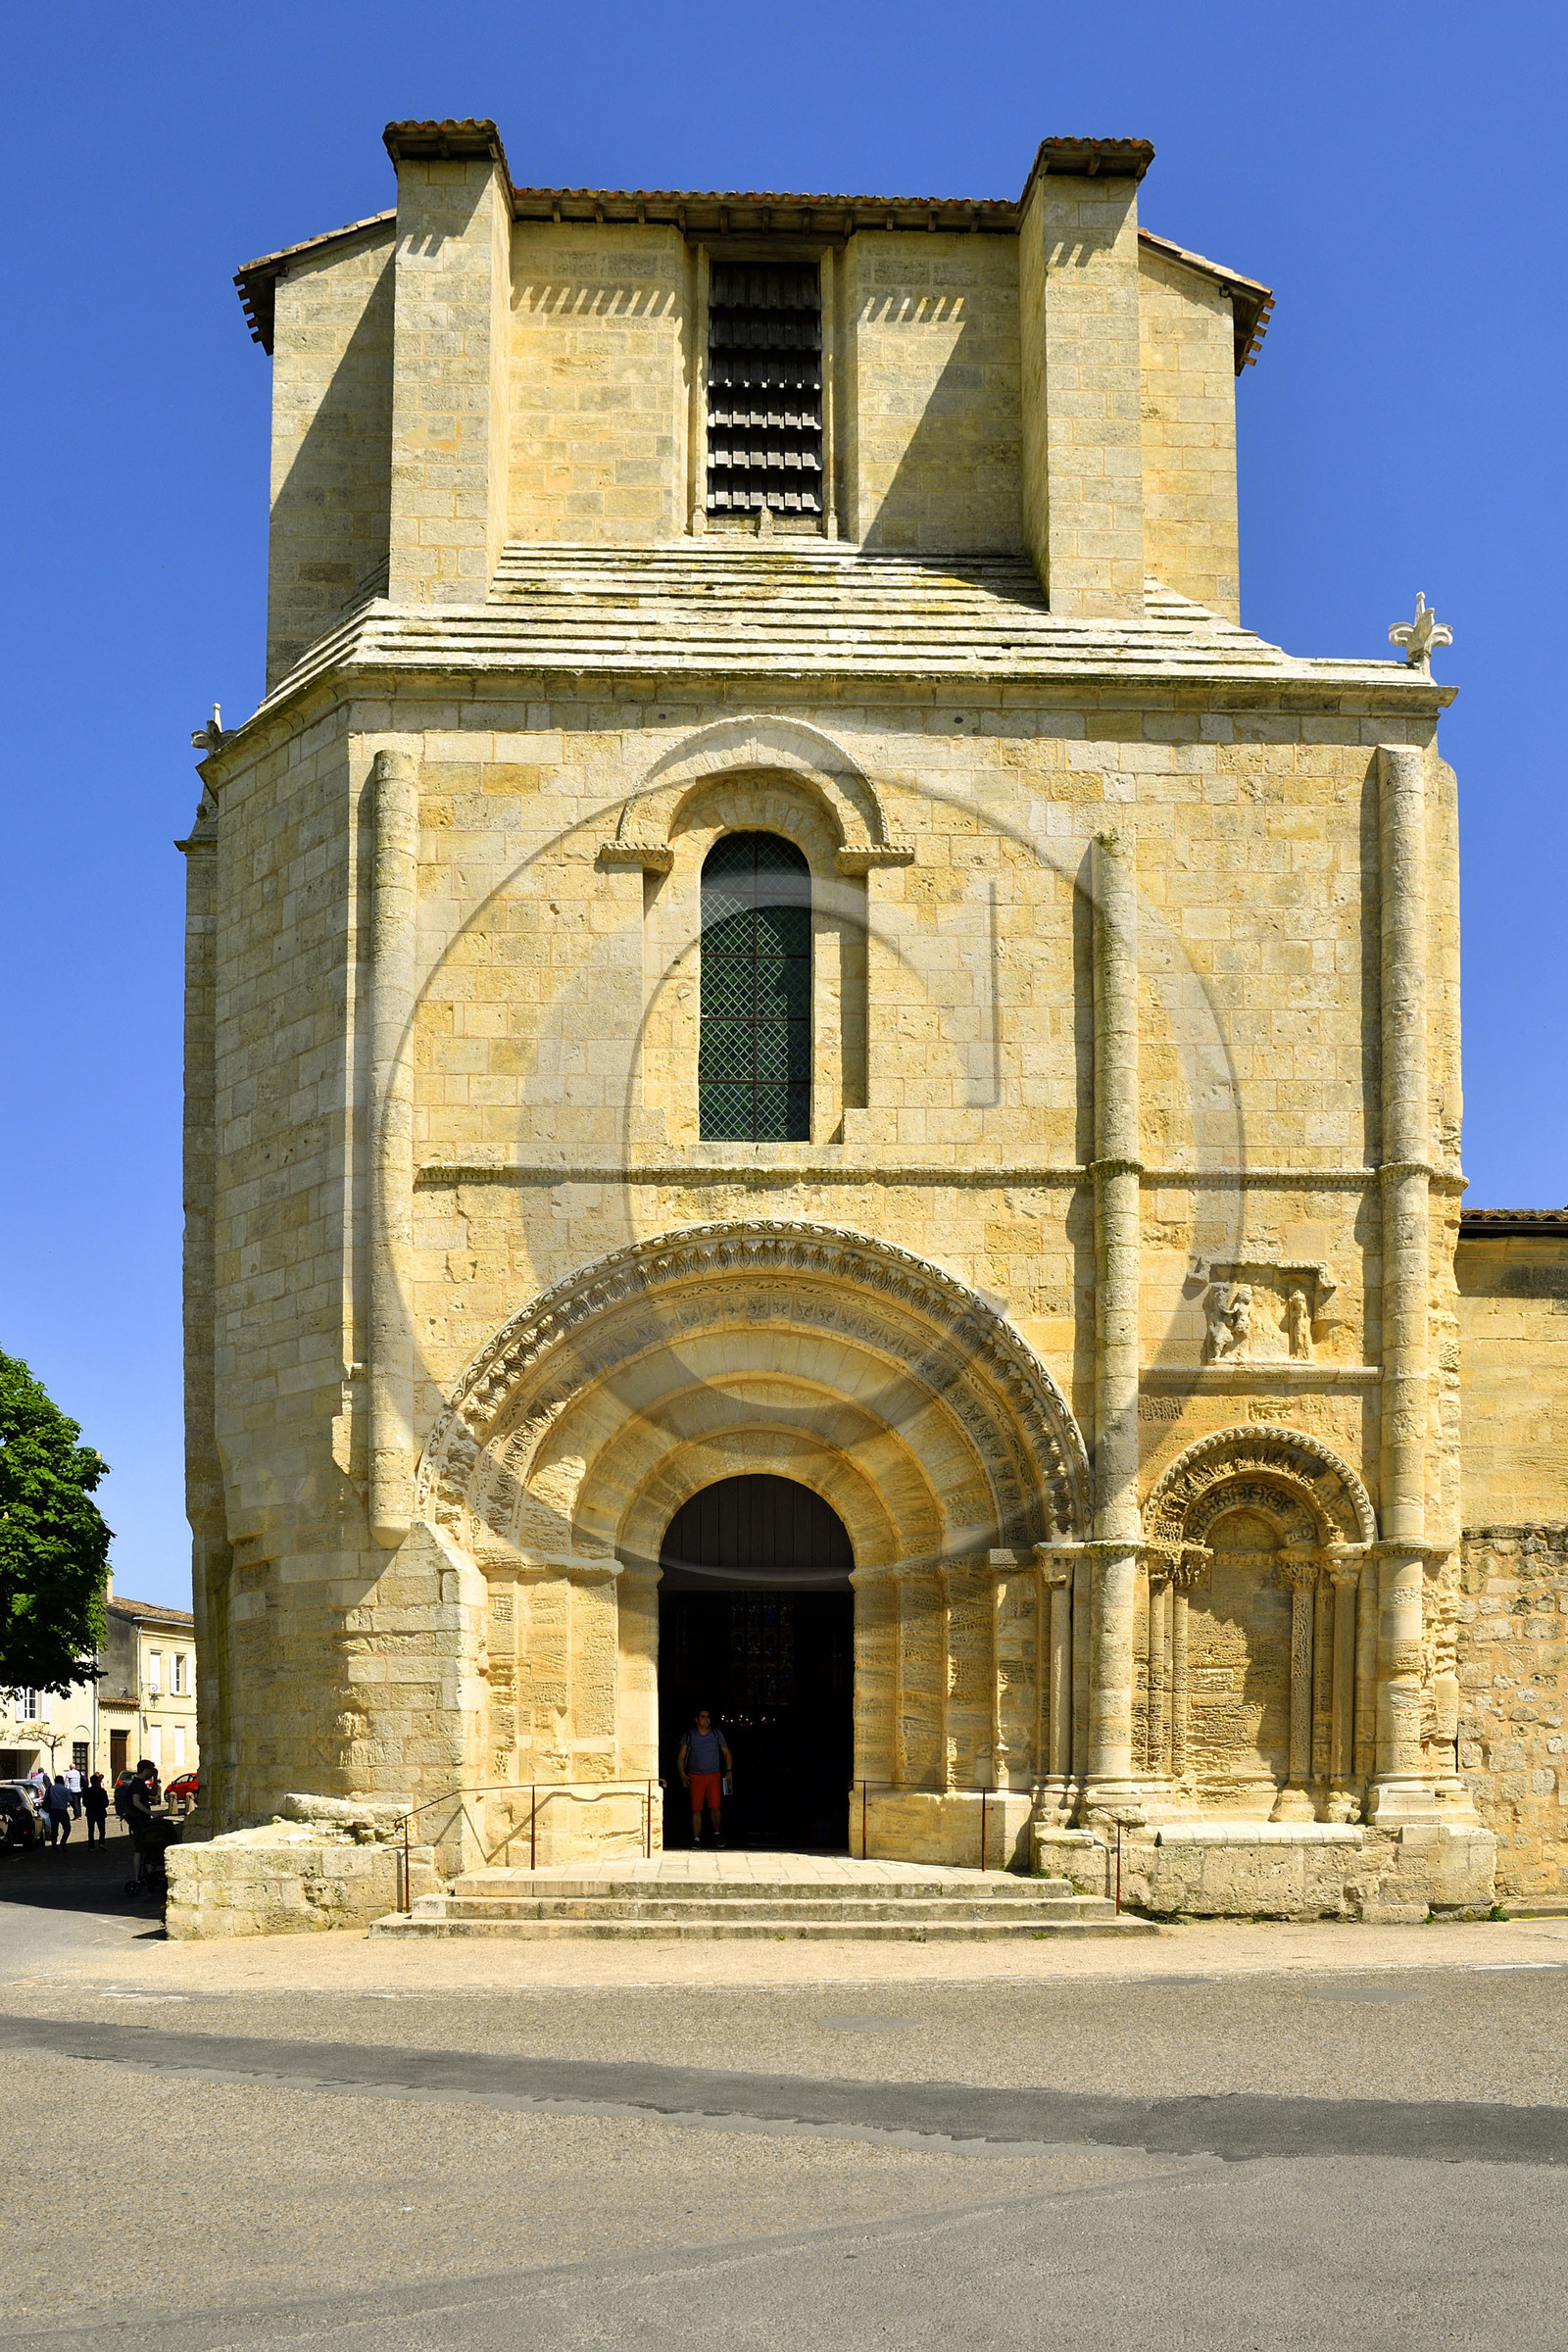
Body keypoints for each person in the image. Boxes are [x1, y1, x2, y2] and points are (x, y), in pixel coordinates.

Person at [676, 1709, 733, 1848]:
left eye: (708, 1717)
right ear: (697, 1719)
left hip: (713, 1775)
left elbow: (726, 1753)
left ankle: (717, 1833)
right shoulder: (689, 1735)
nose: (706, 1720)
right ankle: (696, 1838)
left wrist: (729, 1771)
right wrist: (682, 1774)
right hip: (695, 1775)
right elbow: (681, 1757)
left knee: (715, 1806)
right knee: (696, 1808)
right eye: (703, 1717)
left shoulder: (716, 1734)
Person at [43, 1775, 74, 1847]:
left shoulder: (50, 1788)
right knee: (67, 1828)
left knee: (54, 1828)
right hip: (62, 1810)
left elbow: (45, 1799)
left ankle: (54, 1844)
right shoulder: (65, 1790)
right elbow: (70, 1800)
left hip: (53, 1810)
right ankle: (63, 1841)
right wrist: (75, 1809)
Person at [83, 1773, 110, 1845]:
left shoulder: (87, 1791)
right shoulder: (102, 1792)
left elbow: (84, 1802)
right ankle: (101, 1843)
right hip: (100, 1812)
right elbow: (106, 1802)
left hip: (90, 1812)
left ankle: (91, 1845)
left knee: (91, 1830)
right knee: (102, 1829)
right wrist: (102, 1807)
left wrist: (89, 1806)